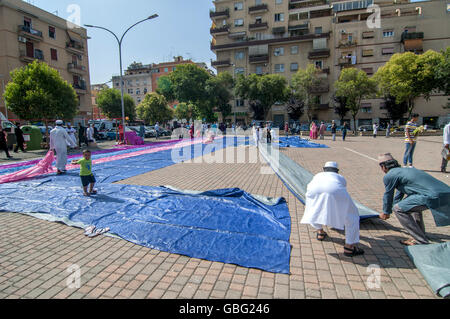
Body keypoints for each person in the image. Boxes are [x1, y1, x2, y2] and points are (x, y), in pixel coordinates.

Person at [378, 153, 450, 246]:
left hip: (432, 195)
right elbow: (399, 193)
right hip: (445, 192)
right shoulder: (405, 171)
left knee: (398, 209)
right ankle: (420, 234)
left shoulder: (390, 176)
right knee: (410, 207)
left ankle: (420, 241)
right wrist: (392, 207)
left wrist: (386, 212)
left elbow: (388, 194)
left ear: (383, 167)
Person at [301, 162, 364, 257]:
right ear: (337, 171)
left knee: (314, 210)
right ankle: (349, 247)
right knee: (352, 215)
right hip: (335, 190)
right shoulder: (340, 177)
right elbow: (339, 190)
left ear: (324, 169)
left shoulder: (318, 175)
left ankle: (320, 232)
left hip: (313, 190)